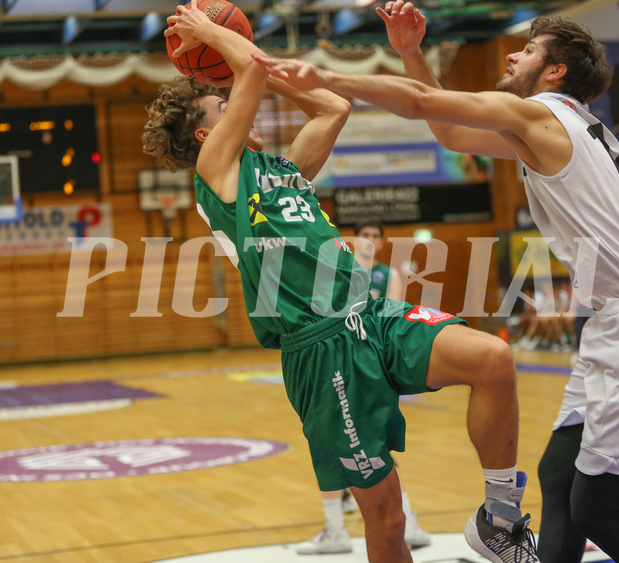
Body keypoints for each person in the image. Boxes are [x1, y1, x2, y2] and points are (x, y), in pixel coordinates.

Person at [253, 3, 619, 562]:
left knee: (597, 507)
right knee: (557, 477)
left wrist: (325, 77)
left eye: (531, 50)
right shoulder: (558, 126)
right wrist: (411, 52)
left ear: (556, 72)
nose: (514, 52)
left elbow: (420, 105)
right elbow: (452, 133)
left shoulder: (543, 113)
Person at [142, 3, 538, 563]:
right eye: (223, 103)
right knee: (388, 518)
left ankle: (499, 518)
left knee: (493, 360)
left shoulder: (281, 169)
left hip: (370, 316)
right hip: (320, 348)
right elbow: (249, 73)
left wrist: (261, 63)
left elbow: (332, 106)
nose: (238, 105)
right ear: (207, 132)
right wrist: (215, 39)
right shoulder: (217, 171)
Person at [297, 219, 430, 555]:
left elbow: (392, 316)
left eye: (375, 236)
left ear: (382, 242)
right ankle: (345, 526)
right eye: (364, 235)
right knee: (340, 442)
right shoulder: (336, 267)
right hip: (338, 358)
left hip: (369, 364)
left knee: (367, 446)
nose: (370, 240)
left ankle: (397, 521)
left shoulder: (388, 276)